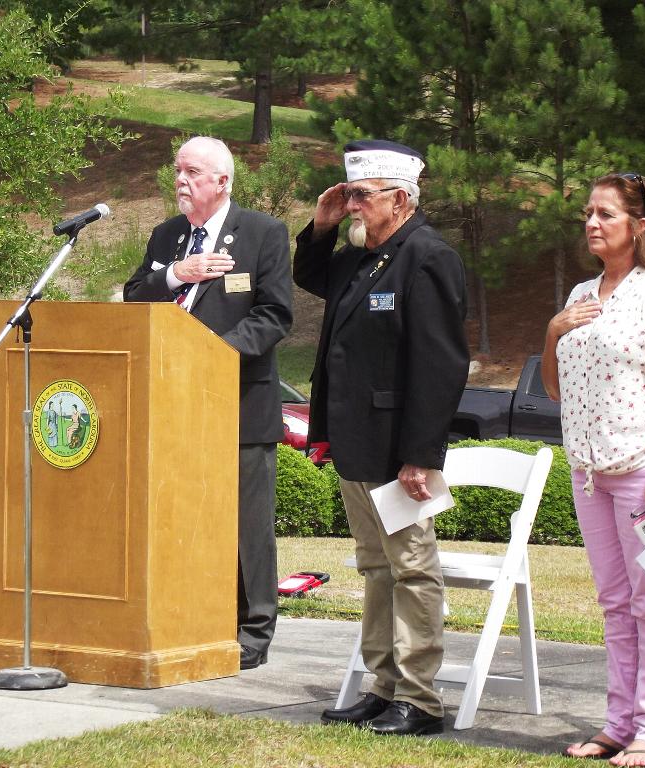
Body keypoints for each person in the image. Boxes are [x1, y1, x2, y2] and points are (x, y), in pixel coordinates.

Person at [293, 140, 469, 735]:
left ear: (400, 198)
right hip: (356, 438)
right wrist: (322, 224)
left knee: (412, 568)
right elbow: (311, 275)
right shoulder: (364, 253)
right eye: (349, 196)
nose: (353, 206)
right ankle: (383, 684)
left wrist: (421, 455)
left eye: (362, 196)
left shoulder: (427, 257)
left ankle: (418, 698)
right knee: (376, 567)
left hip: (399, 450)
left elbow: (440, 366)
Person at [542, 173, 645, 768]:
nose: (591, 223)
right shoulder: (582, 293)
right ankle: (618, 724)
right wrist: (554, 329)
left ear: (641, 225)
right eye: (587, 213)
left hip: (641, 472)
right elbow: (555, 392)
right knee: (614, 604)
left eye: (605, 213)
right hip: (589, 473)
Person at [123, 136, 292, 670]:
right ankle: (195, 616)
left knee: (245, 525)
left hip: (237, 403)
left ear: (222, 181)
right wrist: (176, 275)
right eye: (177, 171)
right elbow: (134, 297)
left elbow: (274, 315)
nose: (180, 180)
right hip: (171, 406)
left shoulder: (263, 233)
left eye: (192, 172)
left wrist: (210, 356)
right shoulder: (167, 236)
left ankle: (253, 629)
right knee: (184, 516)